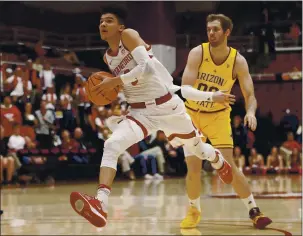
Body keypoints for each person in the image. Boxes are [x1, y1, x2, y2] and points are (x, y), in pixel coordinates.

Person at [69, 6, 234, 228]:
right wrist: (111, 97)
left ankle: (217, 159)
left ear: (120, 27)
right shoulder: (108, 58)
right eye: (100, 22)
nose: (103, 25)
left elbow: (145, 69)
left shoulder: (129, 35)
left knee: (198, 149)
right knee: (112, 144)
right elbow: (127, 86)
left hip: (167, 107)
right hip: (140, 112)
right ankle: (100, 204)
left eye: (108, 21)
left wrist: (115, 83)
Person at [180, 14, 272, 229]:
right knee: (193, 166)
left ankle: (254, 210)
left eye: (216, 29)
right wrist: (212, 97)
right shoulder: (198, 53)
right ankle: (194, 210)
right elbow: (185, 90)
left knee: (229, 166)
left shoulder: (238, 61)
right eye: (209, 29)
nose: (211, 33)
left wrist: (250, 112)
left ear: (227, 32)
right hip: (192, 114)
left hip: (218, 116)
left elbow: (250, 95)